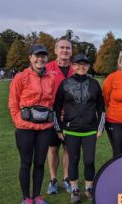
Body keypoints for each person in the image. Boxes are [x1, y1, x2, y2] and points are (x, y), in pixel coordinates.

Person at [8, 45, 55, 204]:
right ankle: (26, 199)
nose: (40, 59)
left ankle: (37, 196)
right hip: (25, 127)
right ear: (30, 57)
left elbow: (52, 101)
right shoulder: (21, 77)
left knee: (40, 163)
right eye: (37, 56)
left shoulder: (51, 77)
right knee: (26, 163)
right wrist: (18, 121)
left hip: (45, 127)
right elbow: (13, 102)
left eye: (43, 56)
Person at [53, 54, 105, 203]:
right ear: (73, 66)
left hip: (90, 130)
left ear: (88, 67)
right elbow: (56, 108)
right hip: (71, 130)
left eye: (85, 64)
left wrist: (100, 127)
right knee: (73, 160)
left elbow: (101, 108)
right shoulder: (65, 84)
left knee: (89, 161)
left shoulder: (94, 84)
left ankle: (89, 188)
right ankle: (75, 189)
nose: (81, 67)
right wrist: (58, 129)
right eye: (78, 64)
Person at [46, 38, 74, 194]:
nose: (65, 50)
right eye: (62, 47)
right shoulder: (47, 67)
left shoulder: (76, 68)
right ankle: (53, 180)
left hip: (71, 116)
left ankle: (67, 178)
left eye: (68, 48)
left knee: (69, 149)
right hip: (53, 116)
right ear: (56, 50)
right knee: (53, 149)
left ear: (71, 51)